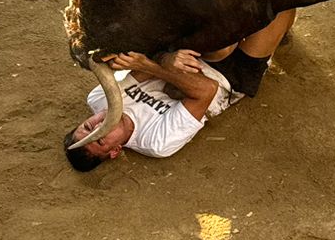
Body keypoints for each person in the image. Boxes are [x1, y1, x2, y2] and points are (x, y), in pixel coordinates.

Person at [63, 12, 295, 170]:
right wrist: (153, 65)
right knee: (279, 10)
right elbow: (207, 90)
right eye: (101, 140)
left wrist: (163, 60)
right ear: (115, 151)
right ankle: (277, 33)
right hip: (229, 77)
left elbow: (145, 67)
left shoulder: (98, 98)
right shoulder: (156, 143)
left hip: (187, 57)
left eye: (88, 127)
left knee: (223, 33)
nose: (100, 126)